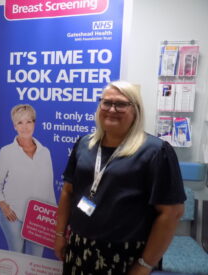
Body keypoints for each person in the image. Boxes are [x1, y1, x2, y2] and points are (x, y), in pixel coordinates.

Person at [54, 81, 186, 275]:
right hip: (79, 247)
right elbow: (67, 192)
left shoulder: (156, 151)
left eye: (121, 104)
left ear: (136, 110)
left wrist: (145, 264)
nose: (112, 109)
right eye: (106, 103)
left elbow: (172, 213)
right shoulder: (84, 144)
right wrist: (59, 234)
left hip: (125, 254)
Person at [0, 104, 56, 257]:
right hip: (13, 214)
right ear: (14, 126)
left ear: (34, 123)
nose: (25, 127)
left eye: (29, 121)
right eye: (20, 122)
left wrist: (53, 216)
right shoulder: (6, 152)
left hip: (38, 217)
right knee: (17, 258)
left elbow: (49, 187)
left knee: (35, 260)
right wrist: (4, 206)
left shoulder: (45, 152)